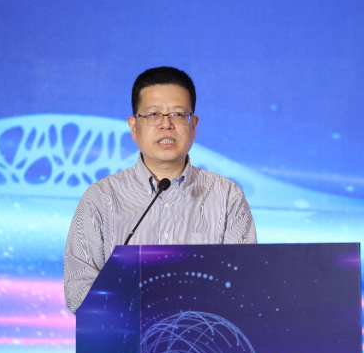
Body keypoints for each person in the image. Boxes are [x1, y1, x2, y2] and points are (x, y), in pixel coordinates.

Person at [64, 66, 257, 313]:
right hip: (125, 335)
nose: (166, 125)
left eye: (178, 114)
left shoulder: (227, 196)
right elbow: (78, 289)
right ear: (134, 126)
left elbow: (243, 285)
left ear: (194, 125)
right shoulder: (101, 198)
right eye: (153, 114)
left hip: (203, 334)